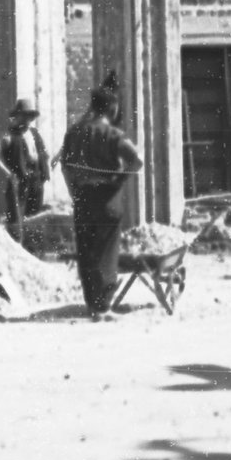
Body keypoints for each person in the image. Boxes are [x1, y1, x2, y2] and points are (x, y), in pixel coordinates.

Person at [58, 74, 143, 320]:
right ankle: (104, 306)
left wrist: (73, 191)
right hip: (107, 198)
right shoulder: (113, 134)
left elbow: (65, 167)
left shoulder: (74, 132)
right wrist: (119, 180)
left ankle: (92, 306)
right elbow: (137, 161)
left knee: (86, 252)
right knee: (106, 252)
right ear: (112, 108)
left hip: (83, 197)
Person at [0, 98, 52, 249]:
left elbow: (43, 154)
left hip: (36, 181)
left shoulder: (34, 134)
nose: (27, 120)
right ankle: (17, 249)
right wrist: (7, 172)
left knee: (34, 217)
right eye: (24, 116)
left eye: (30, 116)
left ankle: (33, 251)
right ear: (17, 116)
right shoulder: (9, 135)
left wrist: (44, 169)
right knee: (17, 220)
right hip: (20, 183)